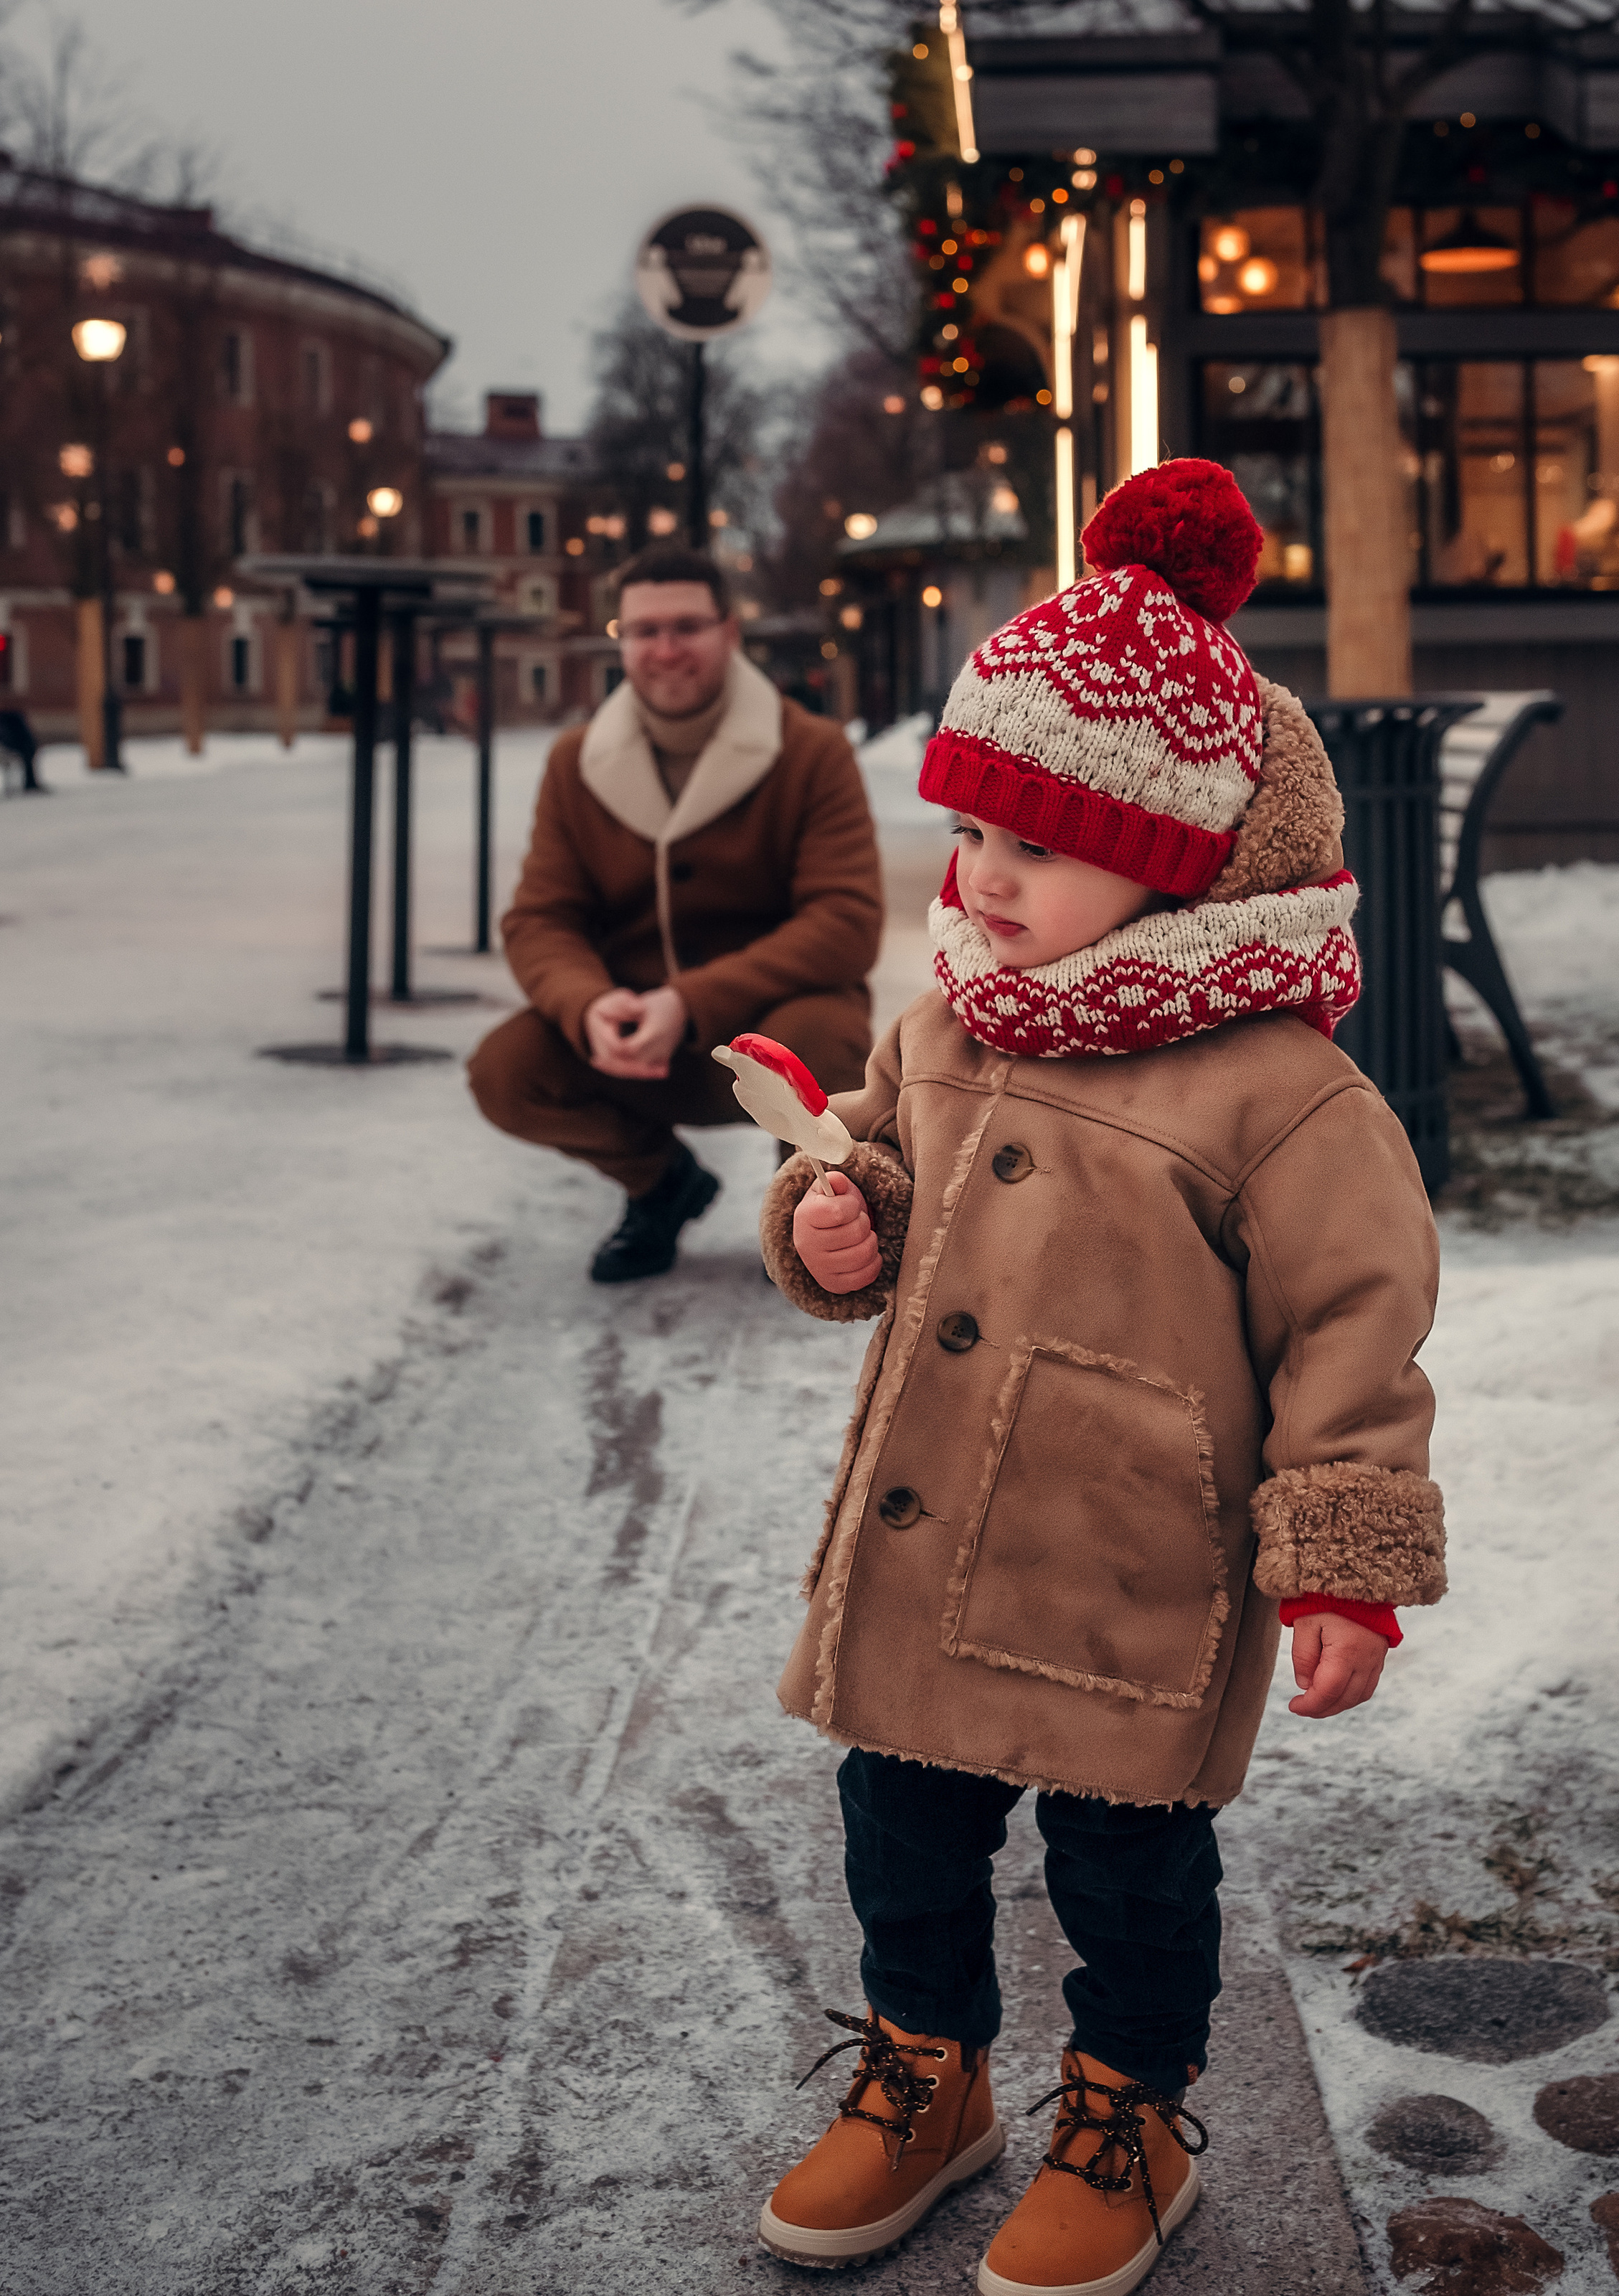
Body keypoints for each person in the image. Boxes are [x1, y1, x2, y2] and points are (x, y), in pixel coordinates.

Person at [751, 463, 1445, 2295]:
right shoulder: (947, 1015)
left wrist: (1342, 1558)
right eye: (972, 836)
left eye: (1030, 851)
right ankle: (928, 2070)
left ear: (1176, 856)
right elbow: (878, 1181)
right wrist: (835, 1228)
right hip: (926, 1538)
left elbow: (1352, 1333)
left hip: (1128, 1562)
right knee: (897, 1828)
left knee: (1127, 1875)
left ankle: (1125, 2105)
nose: (978, 881)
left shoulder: (1276, 1085)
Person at [468, 545, 882, 1282]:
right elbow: (540, 918)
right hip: (634, 1037)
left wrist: (687, 1002)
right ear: (619, 639)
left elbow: (845, 919)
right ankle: (660, 1187)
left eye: (686, 626)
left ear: (728, 631)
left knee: (824, 1032)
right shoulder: (576, 762)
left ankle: (802, 1205)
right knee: (506, 1070)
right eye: (643, 630)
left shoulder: (810, 751)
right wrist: (587, 1003)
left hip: (771, 1028)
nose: (664, 649)